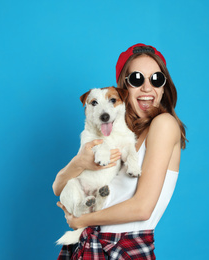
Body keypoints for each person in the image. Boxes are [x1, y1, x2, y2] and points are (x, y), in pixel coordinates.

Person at [53, 43, 187, 259]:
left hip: (125, 248)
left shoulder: (164, 124)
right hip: (90, 241)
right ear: (123, 89)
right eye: (136, 79)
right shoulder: (115, 133)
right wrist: (80, 163)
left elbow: (143, 208)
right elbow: (57, 187)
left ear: (164, 86)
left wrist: (80, 221)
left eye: (156, 79)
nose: (146, 87)